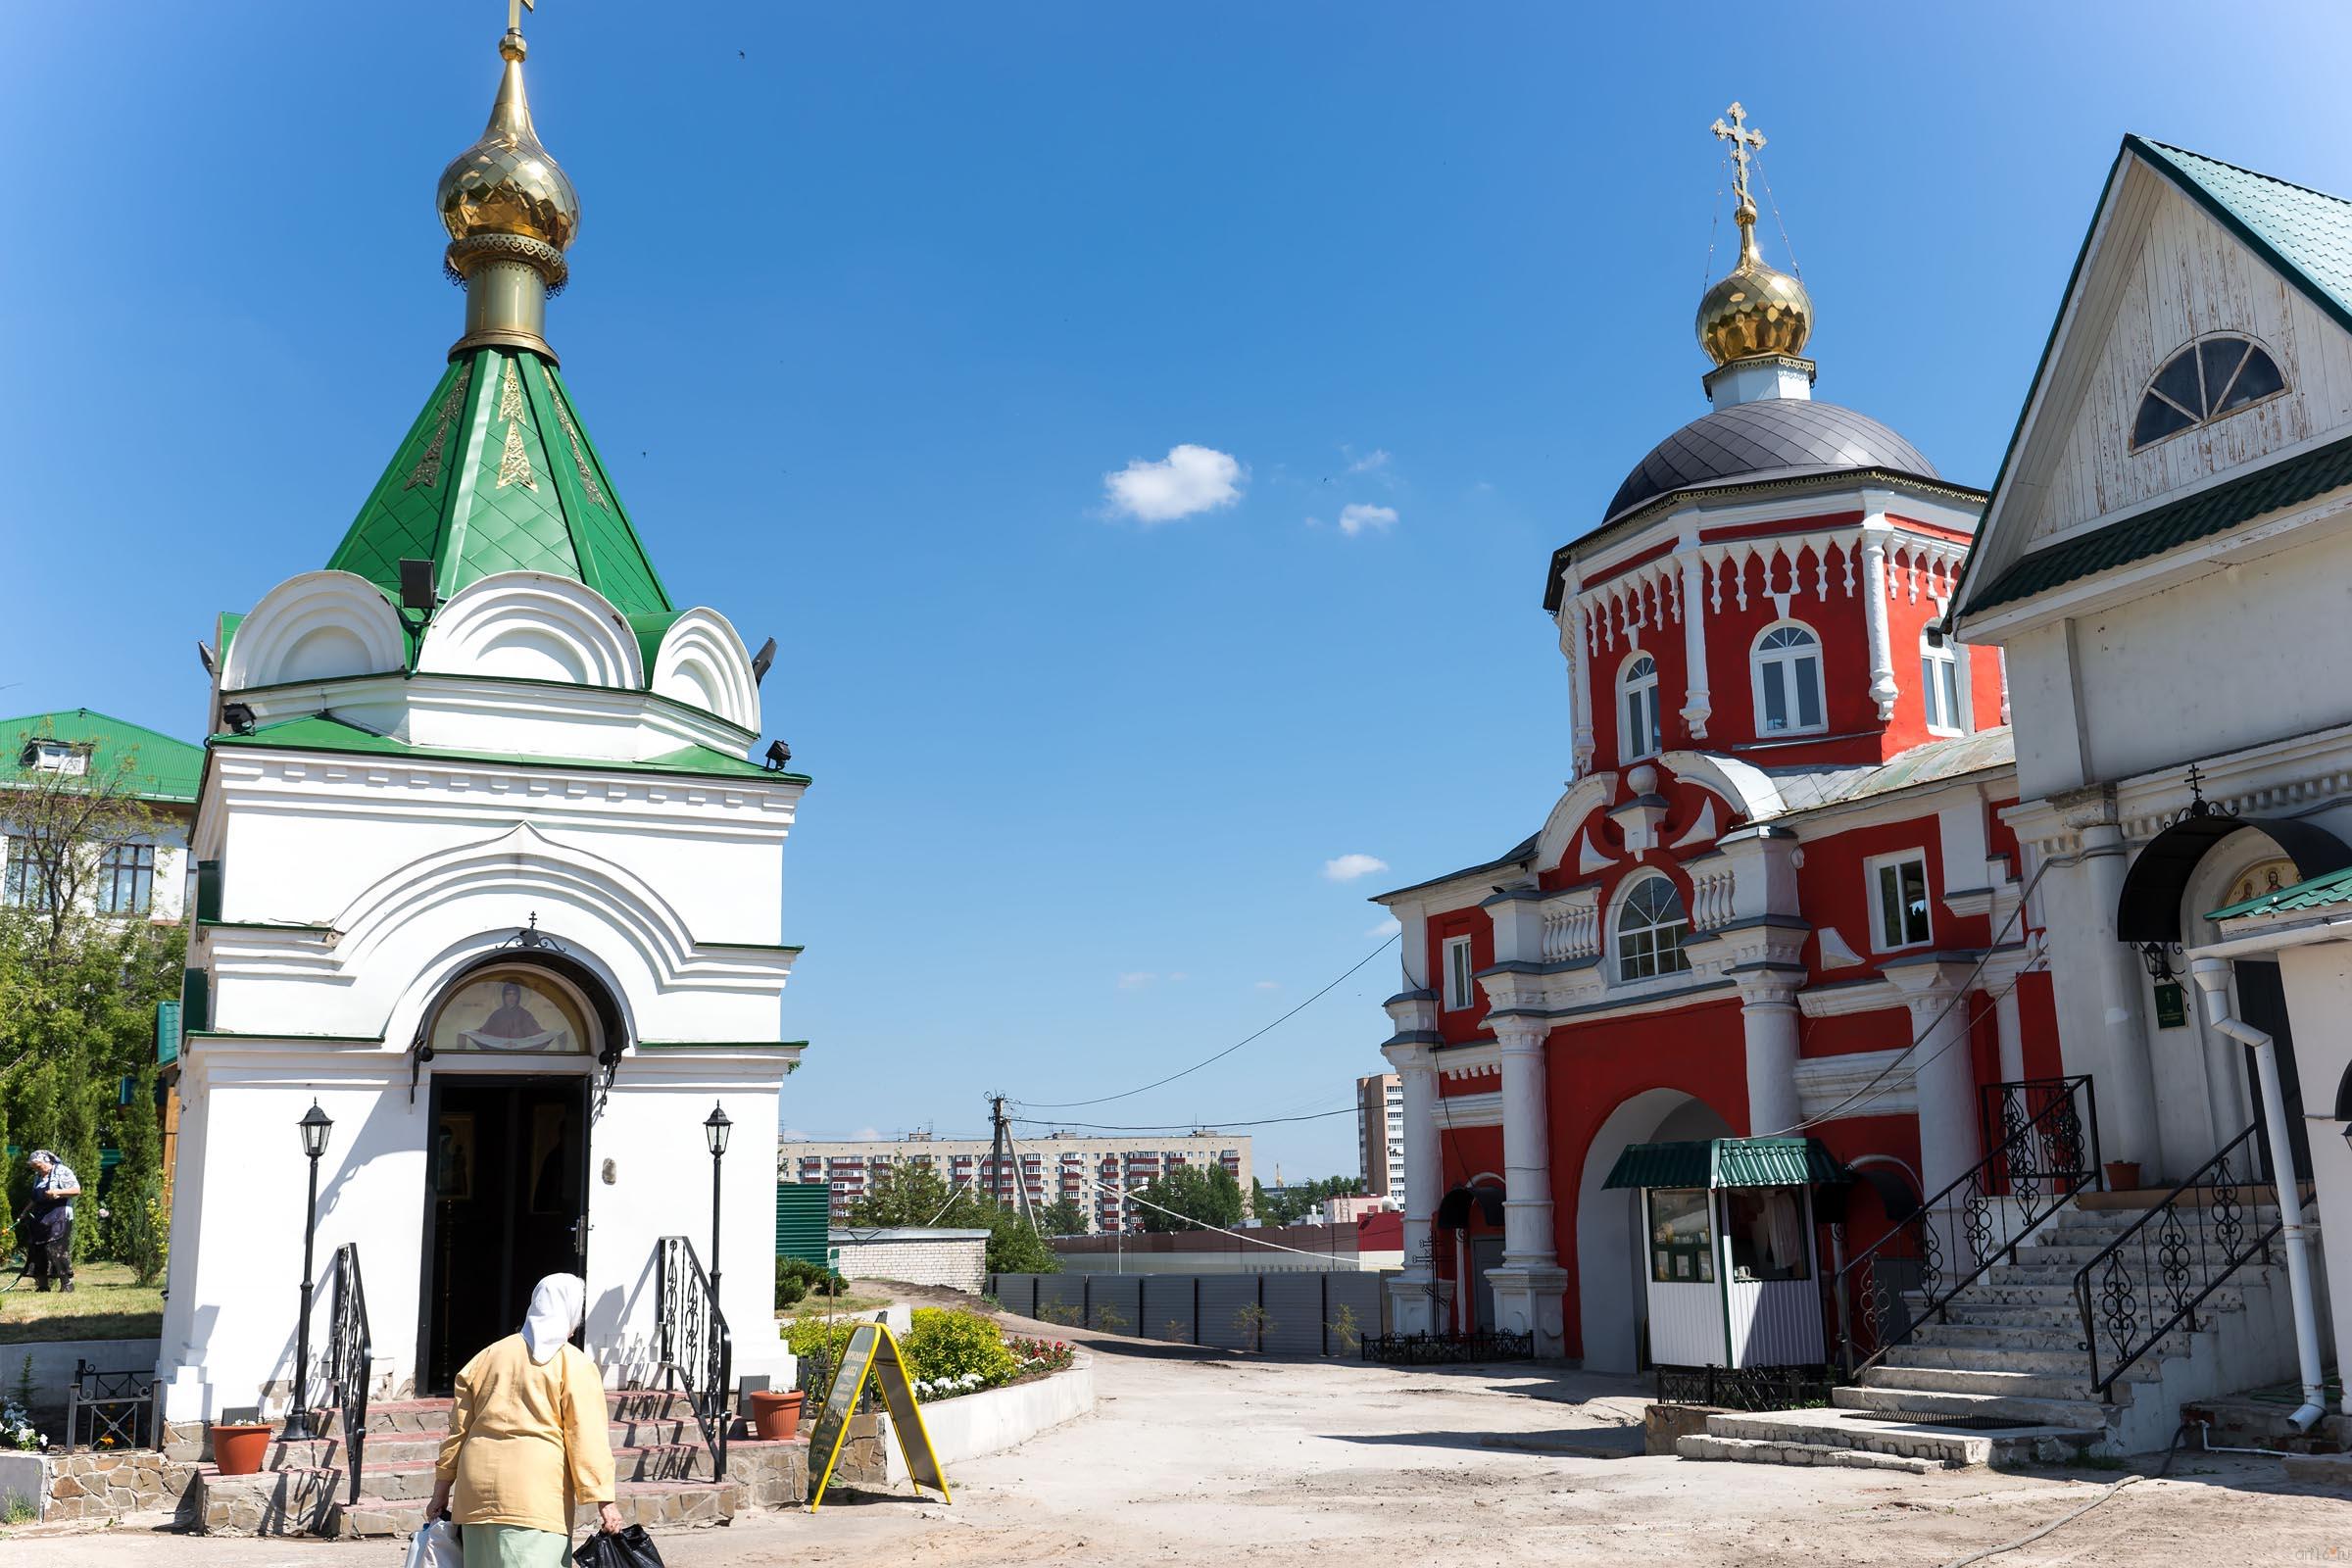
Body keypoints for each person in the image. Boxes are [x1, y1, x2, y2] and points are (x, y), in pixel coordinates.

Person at [429, 1275, 622, 1565]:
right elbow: (586, 1437)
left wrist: (440, 1490)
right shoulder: (573, 1363)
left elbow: (458, 1432)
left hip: (476, 1494)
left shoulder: (488, 1356)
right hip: (535, 1496)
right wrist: (604, 1500)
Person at [25, 1150, 79, 1294]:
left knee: (56, 1249)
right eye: (34, 1167)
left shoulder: (62, 1171)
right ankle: (43, 1286)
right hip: (41, 1218)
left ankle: (67, 1284)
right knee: (38, 1250)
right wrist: (24, 1212)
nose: (36, 1169)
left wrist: (57, 1192)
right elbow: (34, 1198)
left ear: (47, 1162)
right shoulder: (38, 1177)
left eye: (38, 1166)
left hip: (60, 1216)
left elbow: (76, 1190)